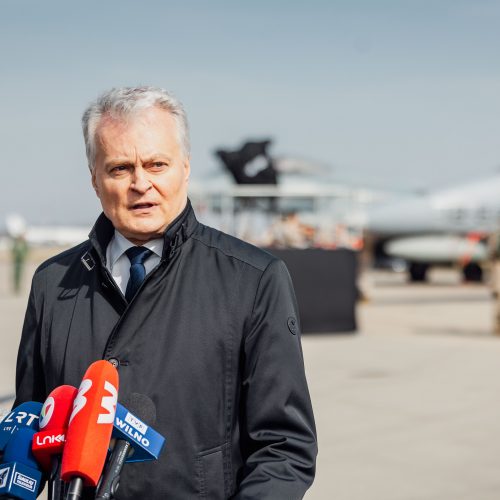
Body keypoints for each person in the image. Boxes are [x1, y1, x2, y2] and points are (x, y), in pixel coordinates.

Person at [14, 86, 317, 499]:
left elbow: (285, 448)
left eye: (157, 164)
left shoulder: (254, 279)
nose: (141, 184)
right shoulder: (52, 282)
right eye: (120, 168)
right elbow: (31, 423)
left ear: (185, 168)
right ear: (94, 179)